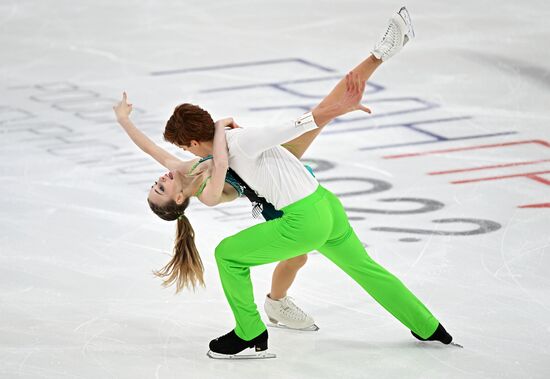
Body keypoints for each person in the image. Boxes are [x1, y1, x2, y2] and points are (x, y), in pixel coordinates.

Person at [156, 7, 458, 359]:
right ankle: (428, 325)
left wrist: (337, 109)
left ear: (191, 144)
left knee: (227, 255)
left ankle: (249, 331)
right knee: (366, 269)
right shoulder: (229, 146)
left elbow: (298, 124)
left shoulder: (240, 143)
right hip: (326, 205)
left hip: (304, 220)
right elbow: (304, 124)